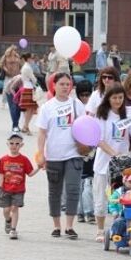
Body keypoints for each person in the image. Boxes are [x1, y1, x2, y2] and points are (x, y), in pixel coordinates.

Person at [35, 73, 85, 240]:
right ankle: (56, 226)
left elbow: (86, 127)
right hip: (54, 155)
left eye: (68, 84)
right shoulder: (47, 107)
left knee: (72, 189)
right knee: (54, 191)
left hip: (74, 154)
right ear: (54, 85)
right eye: (62, 84)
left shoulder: (77, 105)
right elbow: (42, 132)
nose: (65, 87)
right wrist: (41, 153)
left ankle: (69, 226)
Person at [92, 85, 131, 242]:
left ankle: (122, 227)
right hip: (104, 163)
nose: (118, 101)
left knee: (124, 196)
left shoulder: (128, 113)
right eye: (114, 98)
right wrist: (114, 154)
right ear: (108, 98)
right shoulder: (102, 115)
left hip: (123, 165)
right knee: (101, 199)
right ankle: (100, 229)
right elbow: (98, 140)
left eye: (120, 97)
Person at [0, 132, 40, 240]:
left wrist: (38, 167)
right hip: (5, 189)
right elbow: (1, 174)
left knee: (15, 208)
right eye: (11, 143)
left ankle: (13, 229)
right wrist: (0, 187)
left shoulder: (24, 160)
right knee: (6, 210)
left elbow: (30, 174)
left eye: (17, 143)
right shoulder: (3, 159)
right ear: (7, 144)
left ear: (21, 145)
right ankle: (8, 220)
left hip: (19, 190)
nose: (14, 146)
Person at [74, 80, 96, 223]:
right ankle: (85, 212)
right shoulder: (76, 107)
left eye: (87, 94)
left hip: (91, 147)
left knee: (85, 181)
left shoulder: (93, 106)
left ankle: (83, 212)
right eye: (82, 95)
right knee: (84, 181)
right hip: (79, 147)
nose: (85, 98)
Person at [19, 53, 39, 134]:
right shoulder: (27, 68)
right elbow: (34, 79)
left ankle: (25, 126)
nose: (33, 60)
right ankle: (25, 126)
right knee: (29, 109)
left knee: (30, 109)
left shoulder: (26, 66)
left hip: (27, 87)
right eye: (32, 58)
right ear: (28, 59)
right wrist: (36, 82)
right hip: (28, 88)